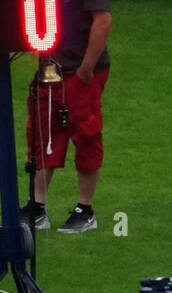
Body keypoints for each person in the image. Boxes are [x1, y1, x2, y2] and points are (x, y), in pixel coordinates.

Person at [21, 0, 113, 234]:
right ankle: (37, 207)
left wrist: (86, 68)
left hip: (80, 71)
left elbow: (102, 20)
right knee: (41, 133)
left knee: (86, 134)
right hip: (50, 69)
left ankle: (85, 209)